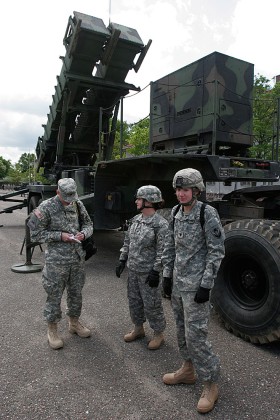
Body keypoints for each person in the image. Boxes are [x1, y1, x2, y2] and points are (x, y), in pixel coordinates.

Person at [161, 168, 225, 414]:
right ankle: (188, 369)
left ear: (196, 191)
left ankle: (210, 383)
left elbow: (216, 251)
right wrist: (167, 276)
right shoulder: (175, 213)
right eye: (178, 190)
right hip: (178, 284)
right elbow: (170, 246)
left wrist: (206, 285)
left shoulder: (207, 214)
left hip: (197, 286)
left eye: (185, 190)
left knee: (196, 335)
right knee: (181, 329)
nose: (181, 194)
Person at [28, 178, 93, 350]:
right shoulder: (46, 207)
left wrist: (84, 235)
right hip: (56, 262)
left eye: (72, 197)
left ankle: (74, 323)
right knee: (54, 295)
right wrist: (60, 236)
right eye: (66, 198)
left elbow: (88, 223)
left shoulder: (77, 204)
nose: (69, 201)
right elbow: (35, 234)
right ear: (58, 192)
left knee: (76, 293)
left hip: (77, 259)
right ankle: (52, 329)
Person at [116, 185, 168, 350]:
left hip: (148, 273)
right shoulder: (136, 220)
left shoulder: (160, 224)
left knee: (152, 304)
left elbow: (163, 251)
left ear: (149, 201)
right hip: (133, 270)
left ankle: (158, 334)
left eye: (139, 198)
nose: (136, 201)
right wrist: (122, 259)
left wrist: (156, 270)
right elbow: (127, 242)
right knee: (134, 301)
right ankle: (138, 329)